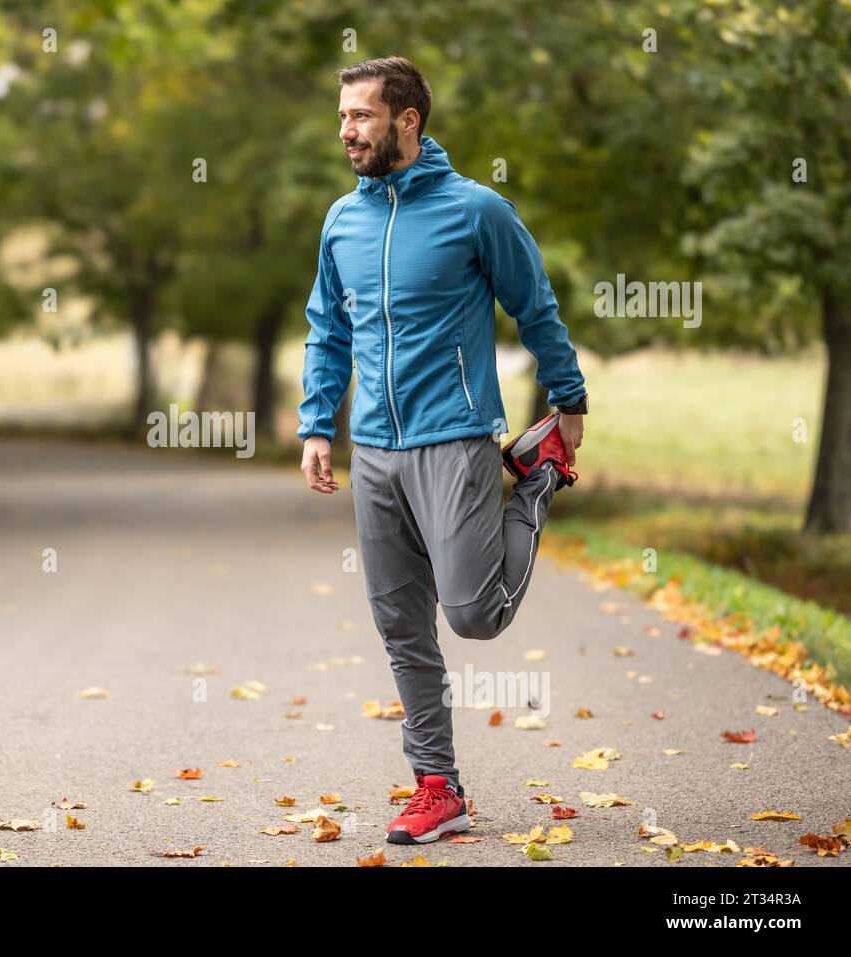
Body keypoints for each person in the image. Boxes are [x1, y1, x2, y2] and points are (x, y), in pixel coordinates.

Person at [296, 56, 589, 845]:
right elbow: (329, 328)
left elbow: (536, 306)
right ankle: (438, 786)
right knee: (402, 628)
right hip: (375, 453)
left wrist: (569, 403)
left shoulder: (475, 210)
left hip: (455, 439)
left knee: (474, 615)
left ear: (408, 120)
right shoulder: (342, 221)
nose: (346, 130)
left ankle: (536, 480)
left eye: (361, 115)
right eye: (343, 116)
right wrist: (317, 424)